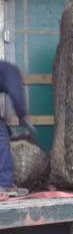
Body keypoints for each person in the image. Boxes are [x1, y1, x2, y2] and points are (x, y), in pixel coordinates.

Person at [0, 61, 36, 197]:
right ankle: (3, 184)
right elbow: (16, 95)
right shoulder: (12, 72)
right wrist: (23, 116)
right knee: (1, 134)